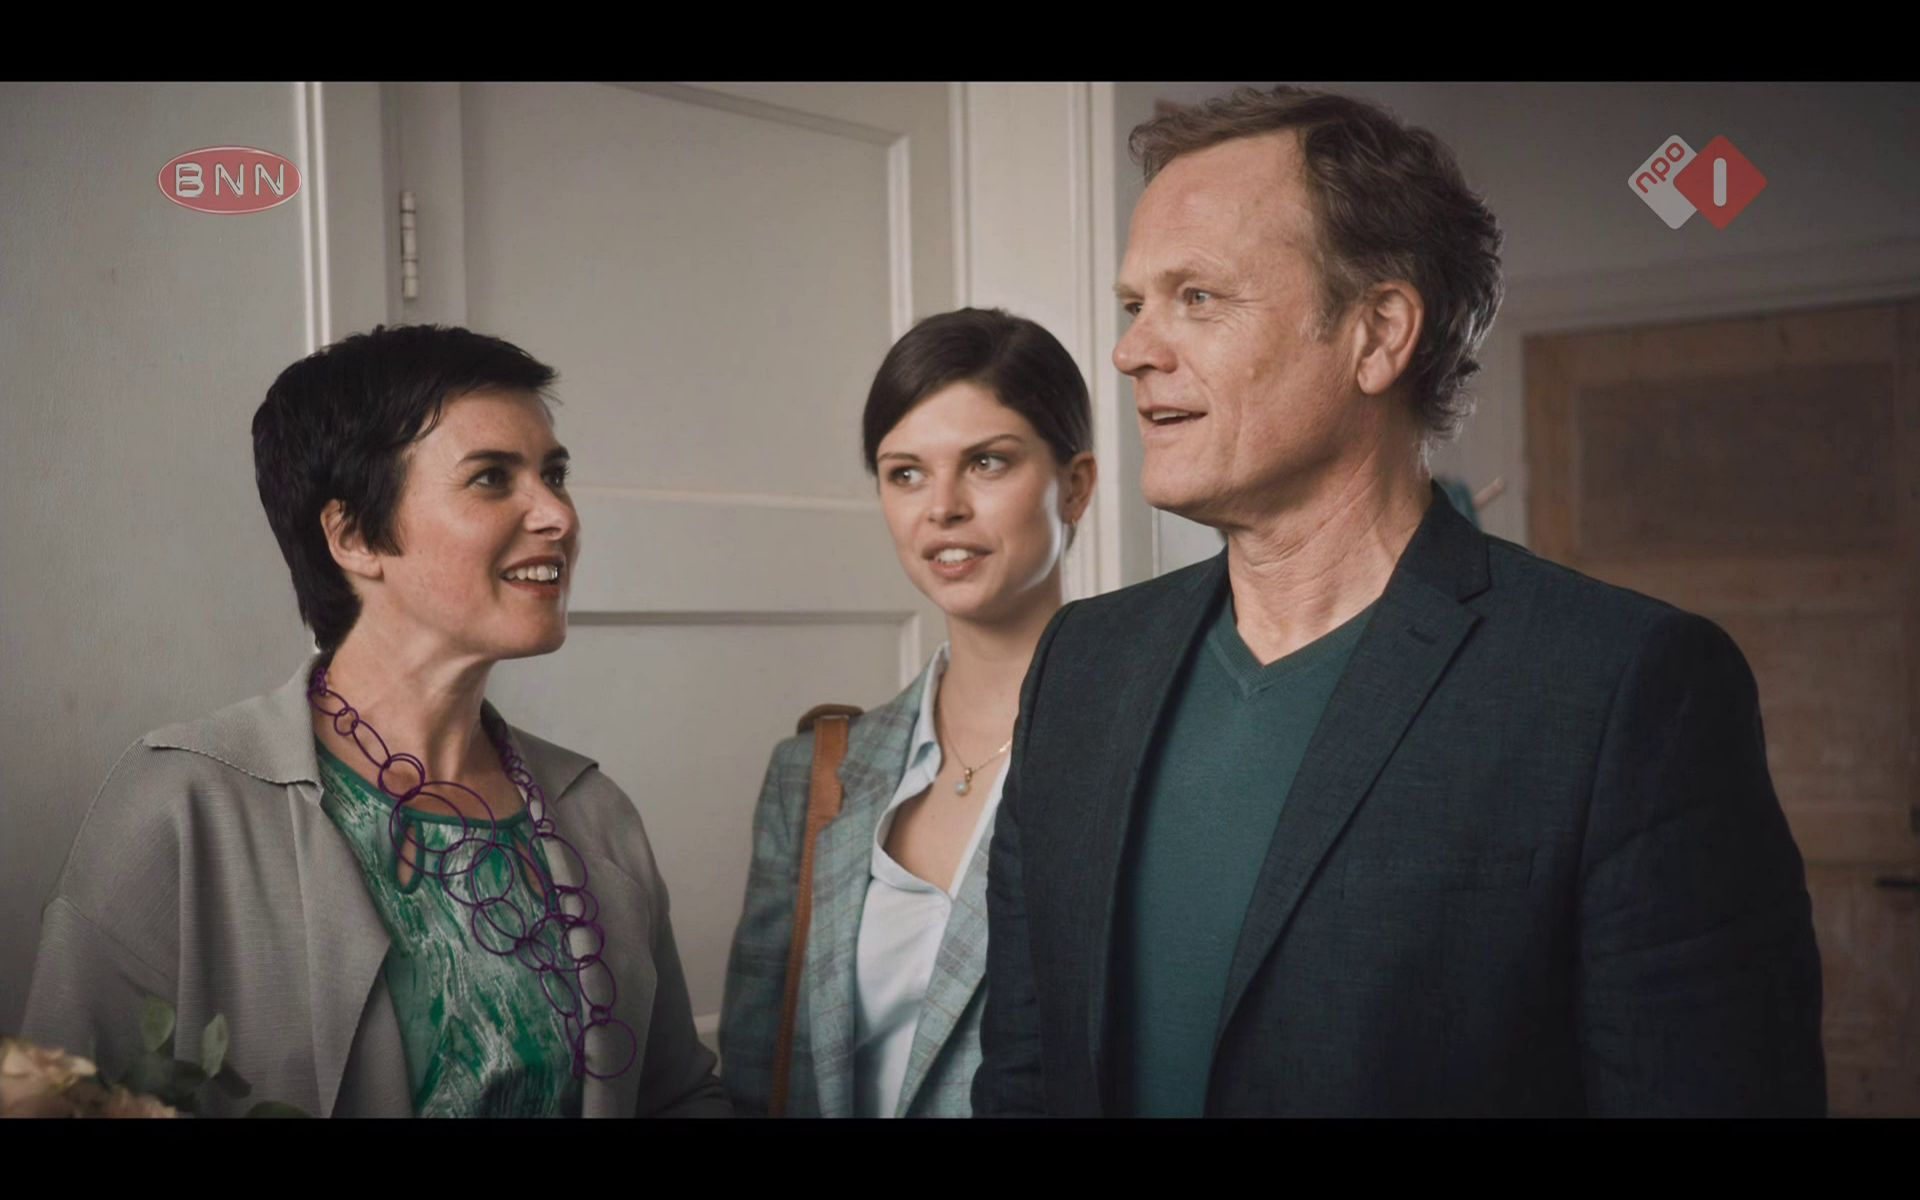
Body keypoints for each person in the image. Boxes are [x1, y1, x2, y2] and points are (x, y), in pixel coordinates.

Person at [972, 86, 1826, 1117]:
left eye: (1196, 297)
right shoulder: (1082, 663)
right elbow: (1023, 1073)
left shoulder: (1625, 689)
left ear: (1378, 334)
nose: (1132, 351)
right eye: (1133, 305)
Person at [22, 325, 728, 1118]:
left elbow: (679, 1097)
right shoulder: (183, 807)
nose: (558, 514)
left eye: (554, 475)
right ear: (354, 535)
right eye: (492, 478)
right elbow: (61, 1101)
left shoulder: (596, 812)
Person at [720, 308, 1095, 1117]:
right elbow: (757, 1078)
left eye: (987, 462)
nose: (942, 507)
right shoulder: (812, 774)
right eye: (906, 473)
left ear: (1076, 485)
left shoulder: (1145, 759)